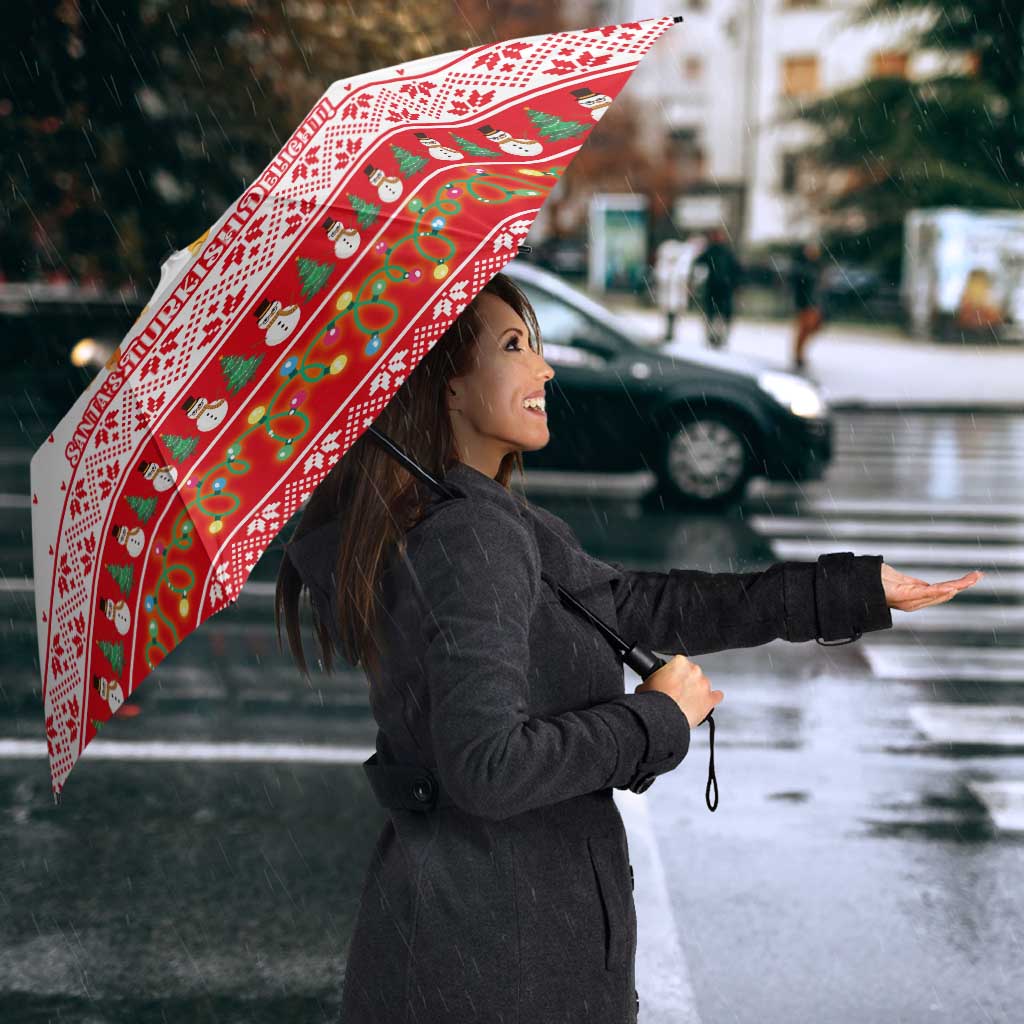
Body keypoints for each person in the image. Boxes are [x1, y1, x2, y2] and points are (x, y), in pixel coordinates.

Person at [275, 270, 971, 1024]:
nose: (544, 368)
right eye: (515, 346)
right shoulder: (469, 536)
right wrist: (657, 719)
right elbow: (488, 767)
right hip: (502, 961)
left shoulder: (469, 517)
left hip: (475, 939)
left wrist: (850, 592)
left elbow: (637, 604)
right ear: (445, 385)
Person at [692, 226, 742, 349]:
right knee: (713, 314)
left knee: (720, 315)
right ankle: (713, 337)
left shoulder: (725, 252)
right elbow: (698, 264)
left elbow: (736, 270)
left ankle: (719, 337)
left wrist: (735, 284)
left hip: (723, 288)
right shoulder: (712, 251)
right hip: (715, 288)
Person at [790, 239, 826, 370]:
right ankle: (798, 355)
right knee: (804, 329)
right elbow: (799, 286)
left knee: (812, 328)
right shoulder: (802, 267)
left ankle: (799, 354)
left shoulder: (817, 266)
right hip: (805, 303)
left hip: (814, 303)